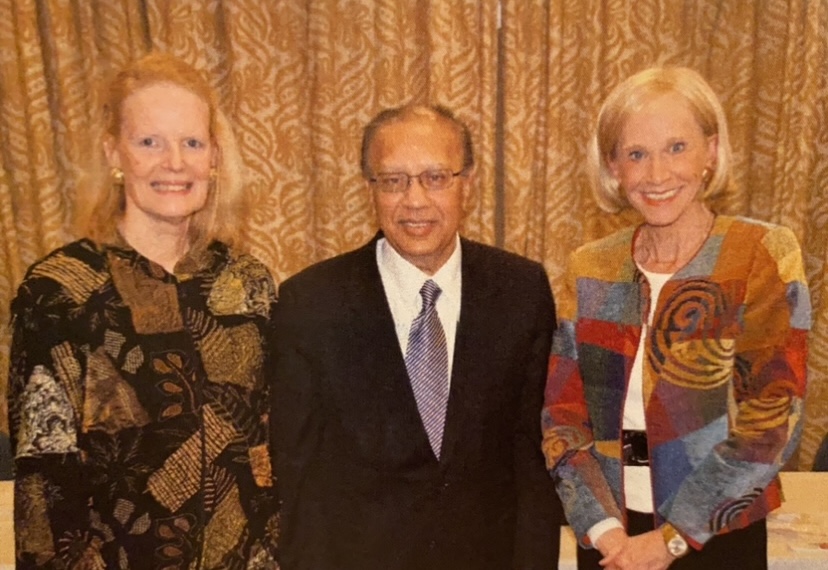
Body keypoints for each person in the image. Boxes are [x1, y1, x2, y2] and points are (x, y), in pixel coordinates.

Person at [7, 53, 279, 569]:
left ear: (214, 158)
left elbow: (269, 446)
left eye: (191, 143)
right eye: (149, 141)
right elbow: (45, 479)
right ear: (115, 152)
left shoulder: (247, 282)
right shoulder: (61, 291)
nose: (173, 162)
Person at [541, 66, 811, 570]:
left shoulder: (759, 253)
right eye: (636, 154)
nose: (657, 174)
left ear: (711, 151)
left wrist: (671, 539)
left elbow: (774, 416)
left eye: (676, 147)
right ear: (613, 167)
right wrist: (602, 531)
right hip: (611, 543)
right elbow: (563, 415)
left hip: (713, 539)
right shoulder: (591, 266)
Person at [272, 104, 563, 570]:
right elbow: (299, 482)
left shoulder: (521, 291)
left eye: (435, 178)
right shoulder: (312, 304)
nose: (415, 201)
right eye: (393, 181)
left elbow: (531, 462)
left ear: (467, 184)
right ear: (370, 188)